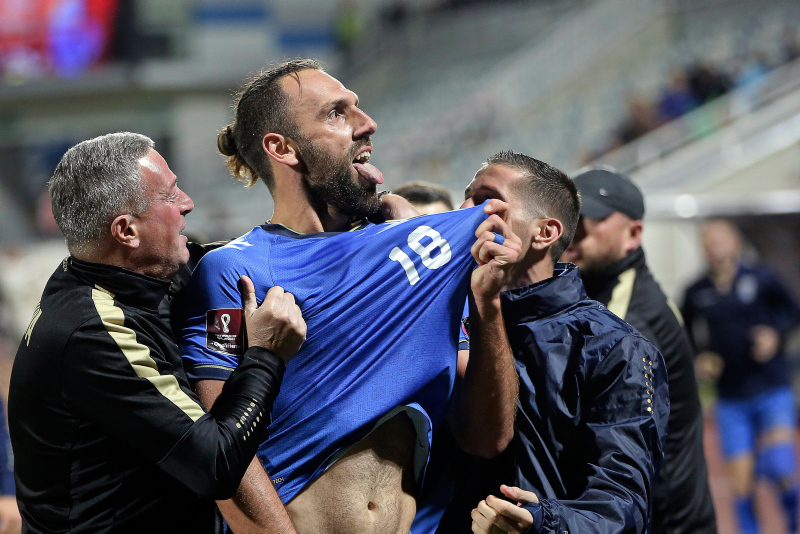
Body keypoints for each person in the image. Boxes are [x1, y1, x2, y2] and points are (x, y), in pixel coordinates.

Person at [177, 59, 520, 533]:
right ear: (282, 148)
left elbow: (487, 438)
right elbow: (224, 460)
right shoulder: (234, 271)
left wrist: (488, 305)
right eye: (337, 113)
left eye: (357, 108)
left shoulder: (419, 258)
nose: (368, 124)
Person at [8, 132, 307, 533]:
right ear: (126, 231)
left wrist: (376, 225)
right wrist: (265, 355)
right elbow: (215, 465)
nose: (188, 202)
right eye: (169, 195)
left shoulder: (140, 273)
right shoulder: (91, 331)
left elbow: (236, 261)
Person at [443, 151, 668, 534]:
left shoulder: (617, 348)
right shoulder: (450, 320)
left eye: (485, 200)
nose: (465, 210)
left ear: (544, 233)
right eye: (465, 197)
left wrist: (542, 522)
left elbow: (624, 504)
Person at [561, 167, 717, 534]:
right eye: (570, 219)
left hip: (665, 522)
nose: (573, 232)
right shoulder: (604, 295)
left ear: (633, 234)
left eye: (588, 221)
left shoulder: (628, 320)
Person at [682, 219, 800, 534]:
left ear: (735, 244)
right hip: (731, 396)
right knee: (741, 484)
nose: (714, 247)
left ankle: (792, 523)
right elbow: (685, 333)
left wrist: (775, 334)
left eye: (720, 240)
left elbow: (792, 310)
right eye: (708, 241)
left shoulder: (761, 277)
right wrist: (699, 358)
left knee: (780, 466)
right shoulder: (697, 291)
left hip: (771, 386)